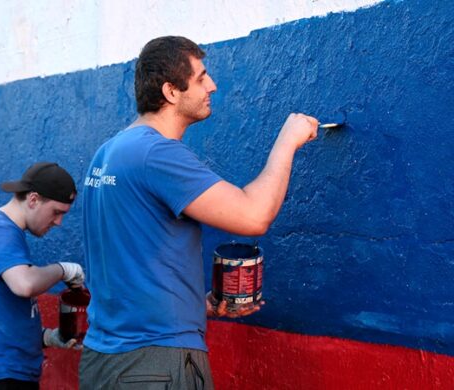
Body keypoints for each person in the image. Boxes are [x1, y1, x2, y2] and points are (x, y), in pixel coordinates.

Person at [80, 36, 318, 389]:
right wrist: (288, 140)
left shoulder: (108, 153)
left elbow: (131, 260)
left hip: (105, 360)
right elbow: (254, 217)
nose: (213, 85)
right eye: (201, 77)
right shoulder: (157, 154)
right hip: (154, 365)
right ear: (171, 92)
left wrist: (196, 305)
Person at [0, 162, 85, 390]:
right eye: (56, 212)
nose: (59, 222)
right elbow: (24, 285)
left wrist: (46, 337)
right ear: (33, 199)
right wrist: (64, 269)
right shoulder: (0, 229)